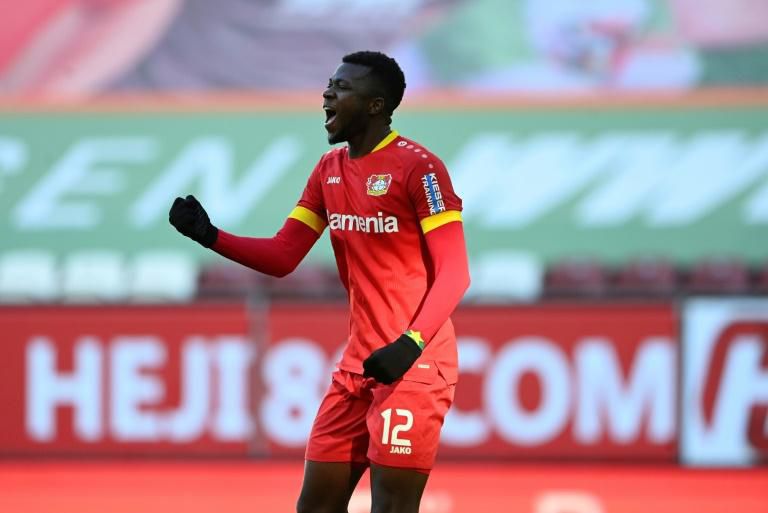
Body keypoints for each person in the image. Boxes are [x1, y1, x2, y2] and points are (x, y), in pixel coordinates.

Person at [169, 50, 470, 513]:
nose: (328, 93)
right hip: (357, 368)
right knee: (314, 507)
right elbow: (284, 254)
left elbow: (455, 273)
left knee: (391, 508)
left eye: (342, 87)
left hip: (415, 368)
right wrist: (211, 236)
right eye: (330, 84)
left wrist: (409, 346)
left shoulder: (420, 170)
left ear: (376, 104)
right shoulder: (328, 171)